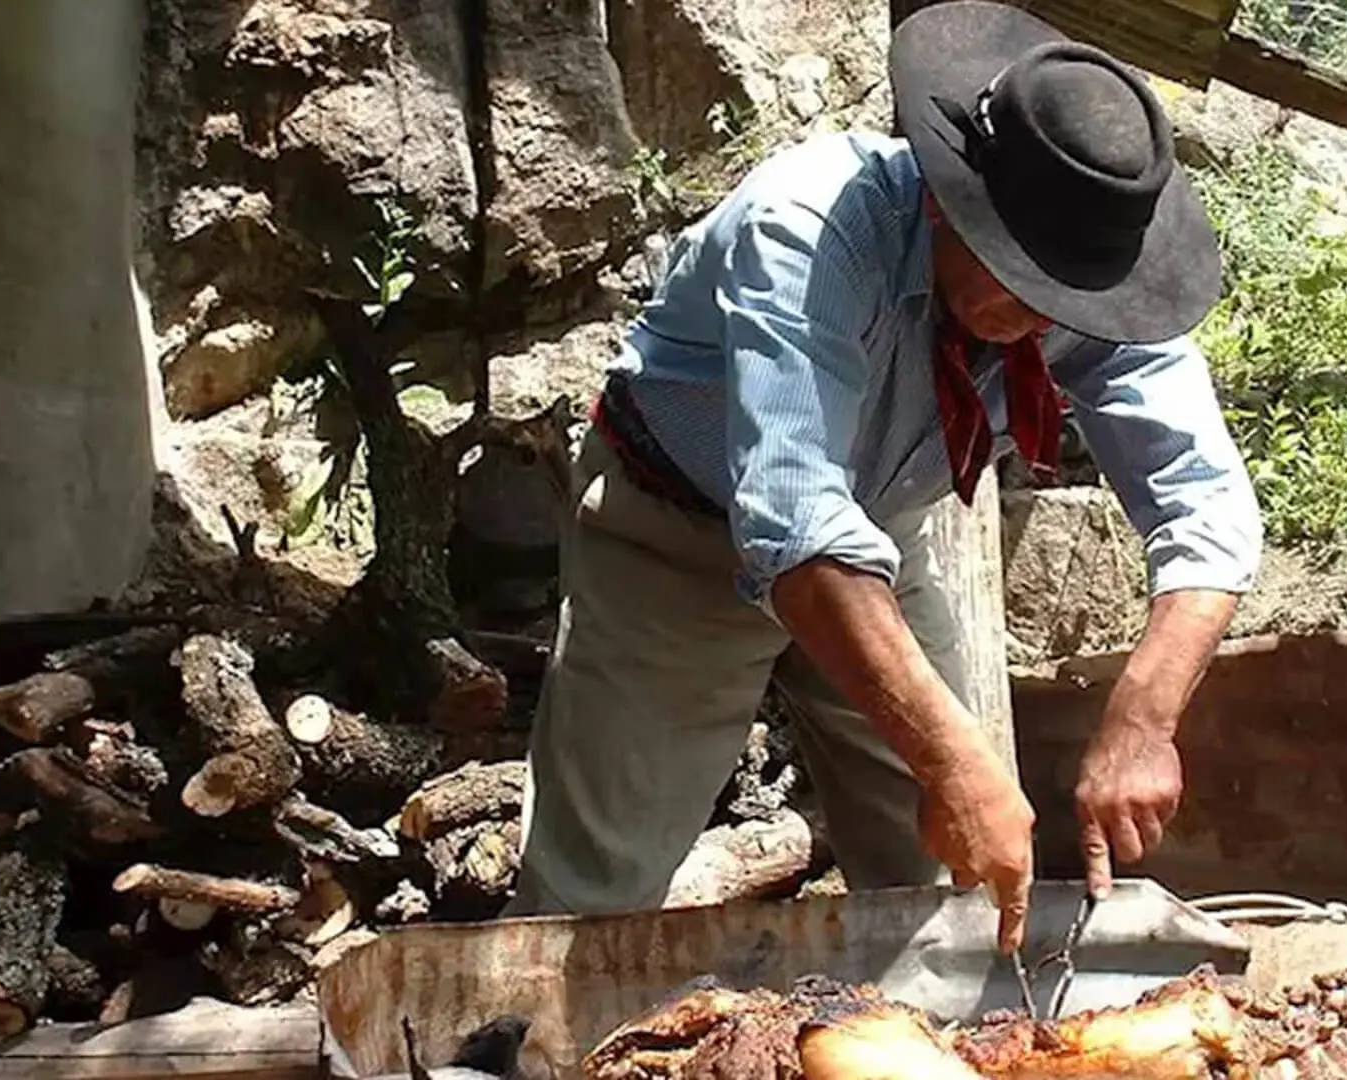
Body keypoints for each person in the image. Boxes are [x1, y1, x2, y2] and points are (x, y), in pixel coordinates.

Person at [502, 0, 1263, 955]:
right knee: (590, 902)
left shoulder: (1097, 272)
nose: (1039, 318)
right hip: (675, 529)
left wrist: (1144, 716)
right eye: (1017, 279)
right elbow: (795, 526)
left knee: (964, 881)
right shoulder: (809, 227)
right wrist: (955, 762)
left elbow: (1209, 505)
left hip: (877, 537)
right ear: (949, 196)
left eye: (1061, 297)